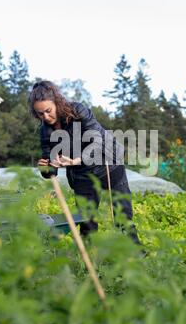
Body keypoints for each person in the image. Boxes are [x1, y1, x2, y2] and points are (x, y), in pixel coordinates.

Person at [28, 80, 140, 244]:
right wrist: (46, 167)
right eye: (40, 114)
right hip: (82, 173)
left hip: (108, 163)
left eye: (48, 111)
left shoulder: (78, 111)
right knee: (87, 221)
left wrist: (76, 160)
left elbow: (97, 140)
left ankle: (136, 256)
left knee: (123, 215)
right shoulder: (45, 130)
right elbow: (50, 165)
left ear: (57, 103)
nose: (45, 117)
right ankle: (89, 261)